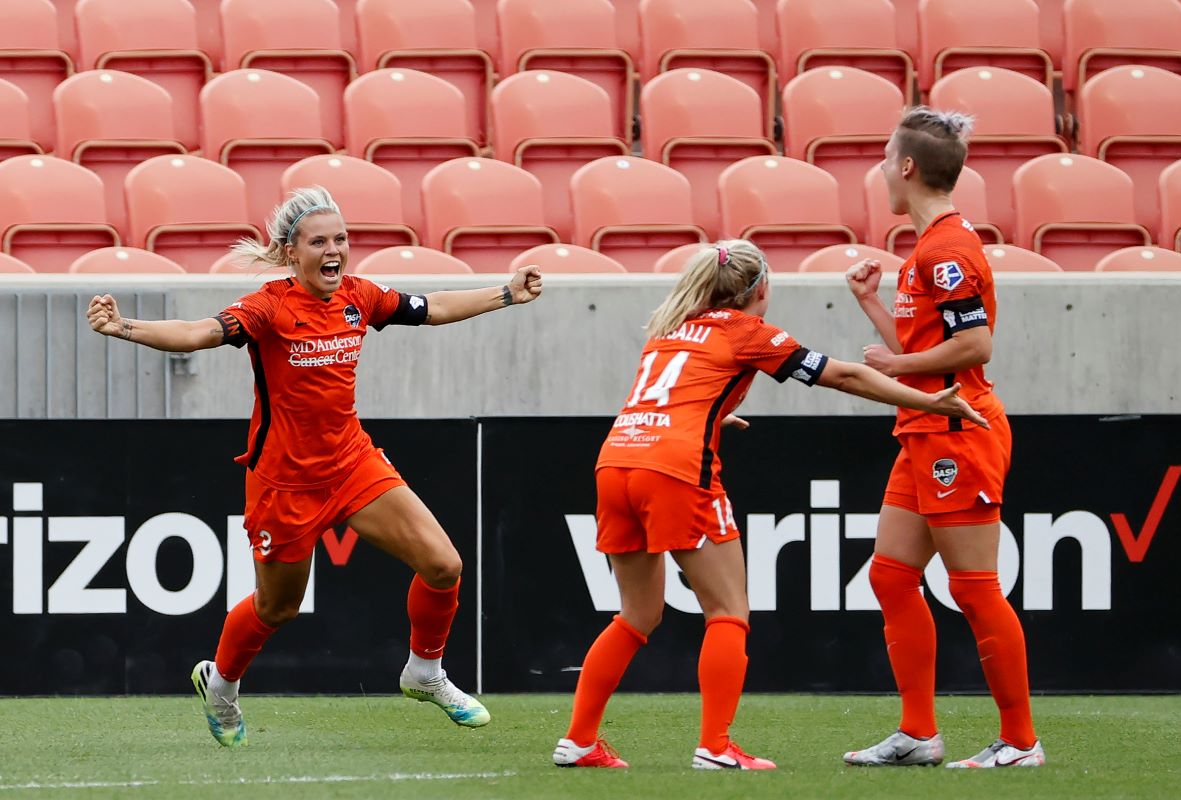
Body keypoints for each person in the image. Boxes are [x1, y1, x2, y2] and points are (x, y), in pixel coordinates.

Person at [85, 187, 543, 747]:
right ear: (290, 253)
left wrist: (506, 293)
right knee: (278, 608)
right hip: (285, 485)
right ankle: (222, 686)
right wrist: (122, 328)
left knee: (444, 565)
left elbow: (431, 308)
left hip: (352, 464)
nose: (335, 250)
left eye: (341, 239)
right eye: (320, 241)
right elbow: (201, 334)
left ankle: (424, 672)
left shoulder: (360, 296)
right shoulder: (269, 306)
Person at [553, 238, 991, 771]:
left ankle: (578, 740)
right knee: (728, 612)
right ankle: (715, 747)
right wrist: (929, 399)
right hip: (675, 469)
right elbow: (844, 375)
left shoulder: (669, 332)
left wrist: (714, 420)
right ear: (759, 289)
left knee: (636, 615)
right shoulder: (745, 331)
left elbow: (673, 398)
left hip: (616, 461)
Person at [841, 107, 1044, 769]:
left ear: (906, 168)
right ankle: (918, 733)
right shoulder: (926, 248)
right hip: (924, 429)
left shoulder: (950, 248)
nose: (879, 174)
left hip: (958, 431)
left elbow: (974, 345)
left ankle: (1020, 742)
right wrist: (874, 307)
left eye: (883, 161)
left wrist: (898, 368)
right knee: (892, 575)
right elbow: (933, 345)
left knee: (974, 586)